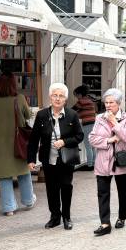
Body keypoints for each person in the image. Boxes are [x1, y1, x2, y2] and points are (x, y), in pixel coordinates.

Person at [28, 83, 84, 230]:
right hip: (48, 159)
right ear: (50, 97)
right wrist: (31, 159)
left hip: (66, 159)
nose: (58, 99)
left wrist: (64, 141)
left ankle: (67, 217)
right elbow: (34, 139)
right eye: (55, 95)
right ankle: (55, 217)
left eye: (61, 96)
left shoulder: (72, 114)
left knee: (66, 187)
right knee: (51, 189)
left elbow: (79, 136)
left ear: (65, 99)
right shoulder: (42, 115)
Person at [0, 73, 36, 216]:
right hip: (18, 141)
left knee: (4, 175)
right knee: (23, 171)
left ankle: (9, 208)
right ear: (14, 84)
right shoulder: (19, 98)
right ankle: (28, 200)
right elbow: (28, 115)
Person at [89, 88, 126, 236]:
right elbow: (92, 139)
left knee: (123, 192)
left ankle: (122, 217)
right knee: (102, 193)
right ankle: (105, 223)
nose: (108, 105)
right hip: (103, 161)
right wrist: (109, 140)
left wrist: (114, 121)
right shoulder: (99, 118)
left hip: (122, 161)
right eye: (106, 102)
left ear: (119, 103)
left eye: (111, 102)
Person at [71, 85, 98, 169]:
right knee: (93, 145)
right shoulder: (90, 101)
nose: (76, 97)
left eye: (76, 95)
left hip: (87, 125)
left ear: (80, 94)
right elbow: (82, 112)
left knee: (87, 145)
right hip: (93, 124)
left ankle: (89, 165)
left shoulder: (81, 102)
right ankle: (94, 164)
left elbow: (72, 110)